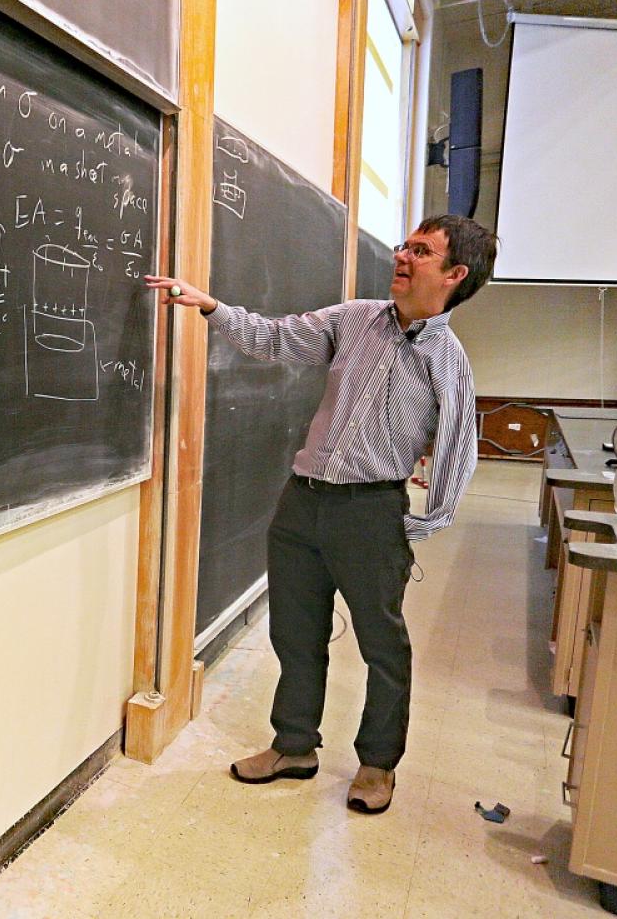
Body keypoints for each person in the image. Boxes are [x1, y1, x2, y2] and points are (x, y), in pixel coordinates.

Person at [145, 214, 498, 814]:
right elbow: (276, 337)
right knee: (295, 633)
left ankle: (377, 765)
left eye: (421, 251)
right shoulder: (354, 319)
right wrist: (211, 308)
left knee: (383, 647)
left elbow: (460, 448)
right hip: (303, 502)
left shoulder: (449, 360)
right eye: (404, 245)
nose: (402, 257)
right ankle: (294, 746)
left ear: (454, 274)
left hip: (372, 512)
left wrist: (421, 521)